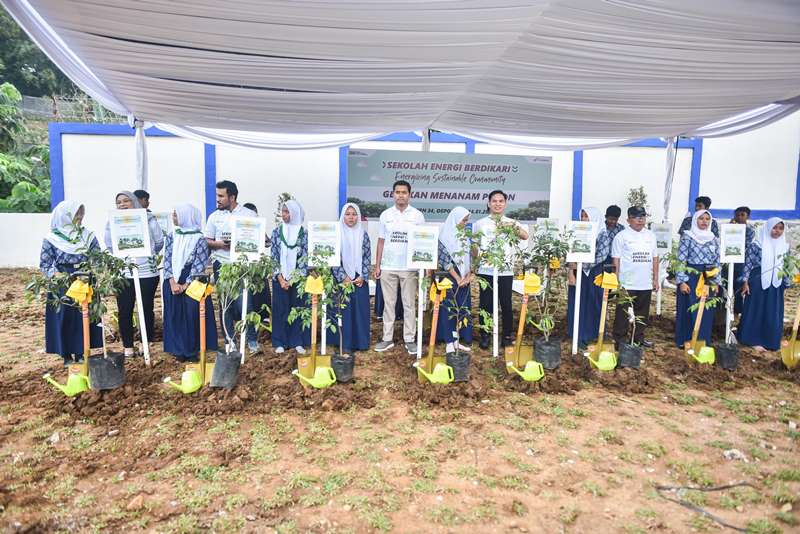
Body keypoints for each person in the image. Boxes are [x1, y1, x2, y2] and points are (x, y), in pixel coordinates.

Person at [40, 200, 103, 366]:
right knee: (65, 316)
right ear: (65, 215)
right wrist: (57, 275)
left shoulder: (88, 235)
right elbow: (45, 264)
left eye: (81, 213)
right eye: (76, 214)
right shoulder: (52, 239)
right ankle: (66, 354)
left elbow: (97, 258)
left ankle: (83, 351)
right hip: (62, 281)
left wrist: (92, 273)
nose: (80, 217)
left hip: (84, 277)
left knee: (85, 315)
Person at [105, 190, 164, 358]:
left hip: (147, 272)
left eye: (126, 201)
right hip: (123, 273)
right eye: (119, 202)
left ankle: (145, 343)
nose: (122, 204)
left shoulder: (149, 219)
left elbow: (159, 241)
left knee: (146, 309)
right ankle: (128, 347)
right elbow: (109, 244)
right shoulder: (112, 222)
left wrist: (145, 254)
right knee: (124, 310)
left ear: (134, 202)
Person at [203, 180, 258, 352]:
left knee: (245, 304)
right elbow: (206, 240)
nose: (217, 199)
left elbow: (260, 237)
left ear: (232, 197)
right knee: (225, 303)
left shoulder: (249, 215)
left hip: (242, 265)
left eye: (221, 196)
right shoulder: (214, 217)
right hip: (222, 265)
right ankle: (229, 340)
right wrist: (220, 244)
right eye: (217, 196)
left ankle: (252, 340)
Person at [374, 180, 425, 353]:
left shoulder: (417, 216)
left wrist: (421, 265)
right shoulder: (385, 215)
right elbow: (381, 241)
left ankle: (409, 339)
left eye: (404, 192)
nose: (400, 195)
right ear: (393, 194)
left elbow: (422, 242)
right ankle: (387, 338)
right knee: (389, 304)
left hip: (409, 268)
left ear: (410, 195)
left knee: (409, 304)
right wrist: (378, 265)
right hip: (388, 266)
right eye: (397, 192)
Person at [474, 190, 529, 349]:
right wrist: (476, 261)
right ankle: (485, 336)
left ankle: (506, 336)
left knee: (506, 303)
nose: (497, 204)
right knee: (485, 304)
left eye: (500, 201)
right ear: (489, 203)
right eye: (494, 201)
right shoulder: (481, 223)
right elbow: (475, 245)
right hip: (486, 269)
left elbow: (525, 236)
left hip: (505, 270)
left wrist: (511, 226)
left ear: (505, 204)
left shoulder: (511, 222)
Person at [162, 204, 218, 361]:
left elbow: (198, 265)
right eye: (173, 214)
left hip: (193, 280)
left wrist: (185, 285)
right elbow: (166, 260)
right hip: (172, 278)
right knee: (175, 314)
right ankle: (178, 349)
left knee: (192, 314)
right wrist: (173, 282)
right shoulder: (172, 236)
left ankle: (192, 350)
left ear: (186, 216)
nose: (173, 218)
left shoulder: (200, 239)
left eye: (176, 214)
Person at [738, 218, 789, 352]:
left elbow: (786, 266)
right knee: (756, 309)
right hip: (757, 281)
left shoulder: (784, 246)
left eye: (780, 228)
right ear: (768, 228)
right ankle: (752, 340)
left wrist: (786, 284)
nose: (777, 231)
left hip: (776, 283)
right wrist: (745, 282)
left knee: (773, 311)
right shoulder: (757, 244)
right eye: (774, 227)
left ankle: (770, 341)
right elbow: (748, 264)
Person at [611, 206, 658, 348]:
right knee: (623, 313)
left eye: (643, 216)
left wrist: (655, 279)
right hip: (627, 283)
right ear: (628, 220)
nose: (640, 219)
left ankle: (638, 338)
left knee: (642, 313)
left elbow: (655, 258)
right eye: (637, 217)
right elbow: (616, 259)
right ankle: (620, 339)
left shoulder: (650, 235)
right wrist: (616, 280)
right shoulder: (621, 236)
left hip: (645, 282)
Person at [328, 203, 371, 354]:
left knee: (360, 311)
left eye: (354, 214)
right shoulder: (337, 233)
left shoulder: (363, 234)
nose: (351, 217)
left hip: (359, 280)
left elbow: (367, 256)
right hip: (341, 280)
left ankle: (361, 342)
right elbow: (332, 258)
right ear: (342, 216)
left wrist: (363, 276)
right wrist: (343, 277)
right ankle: (344, 343)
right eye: (347, 214)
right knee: (343, 311)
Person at [674, 210, 720, 348]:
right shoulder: (687, 237)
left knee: (705, 309)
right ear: (695, 220)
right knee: (689, 308)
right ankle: (686, 340)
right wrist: (682, 281)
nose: (704, 221)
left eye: (707, 219)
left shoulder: (713, 238)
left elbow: (717, 261)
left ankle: (702, 341)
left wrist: (716, 282)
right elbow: (681, 260)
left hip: (709, 276)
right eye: (701, 218)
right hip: (691, 276)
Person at [270, 199, 310, 353]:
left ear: (294, 213)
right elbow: (273, 257)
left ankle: (297, 341)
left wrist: (293, 279)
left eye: (287, 212)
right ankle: (280, 342)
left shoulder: (303, 233)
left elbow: (305, 259)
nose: (284, 215)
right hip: (280, 279)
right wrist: (280, 278)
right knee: (280, 309)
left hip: (297, 280)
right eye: (283, 211)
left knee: (297, 309)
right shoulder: (276, 232)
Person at [436, 206, 473, 353]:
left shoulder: (464, 236)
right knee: (448, 308)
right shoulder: (444, 235)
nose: (465, 223)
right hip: (449, 277)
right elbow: (444, 260)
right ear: (456, 219)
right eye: (464, 220)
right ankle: (449, 342)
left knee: (462, 308)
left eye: (466, 220)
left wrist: (468, 275)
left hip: (464, 277)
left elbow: (469, 257)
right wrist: (457, 277)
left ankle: (457, 340)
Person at [566, 207, 605, 348]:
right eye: (582, 216)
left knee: (592, 302)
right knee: (578, 302)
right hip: (578, 271)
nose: (584, 219)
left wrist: (583, 265)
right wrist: (571, 269)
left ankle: (592, 334)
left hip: (594, 273)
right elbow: (570, 251)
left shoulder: (602, 234)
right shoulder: (576, 231)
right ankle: (577, 334)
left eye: (586, 216)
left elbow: (602, 254)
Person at [240, 202, 272, 325]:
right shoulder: (240, 228)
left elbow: (268, 243)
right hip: (244, 266)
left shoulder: (259, 227)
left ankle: (264, 316)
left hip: (258, 265)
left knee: (262, 292)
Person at [730, 206, 755, 316]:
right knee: (728, 283)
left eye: (742, 215)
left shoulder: (749, 230)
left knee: (739, 284)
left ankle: (738, 309)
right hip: (730, 259)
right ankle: (727, 308)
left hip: (742, 260)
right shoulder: (730, 227)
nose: (739, 217)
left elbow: (745, 245)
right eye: (737, 215)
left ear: (748, 216)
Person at [600, 205, 625, 271]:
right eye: (611, 219)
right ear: (605, 217)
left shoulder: (621, 229)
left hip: (616, 259)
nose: (613, 221)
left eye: (615, 219)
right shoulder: (600, 227)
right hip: (601, 260)